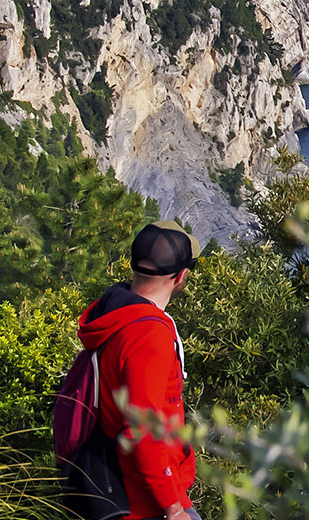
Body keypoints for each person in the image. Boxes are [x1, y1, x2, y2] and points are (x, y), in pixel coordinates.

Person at [77, 220, 202, 520]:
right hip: (143, 500)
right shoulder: (149, 336)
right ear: (181, 276)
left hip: (119, 480)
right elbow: (144, 431)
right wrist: (173, 508)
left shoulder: (114, 308)